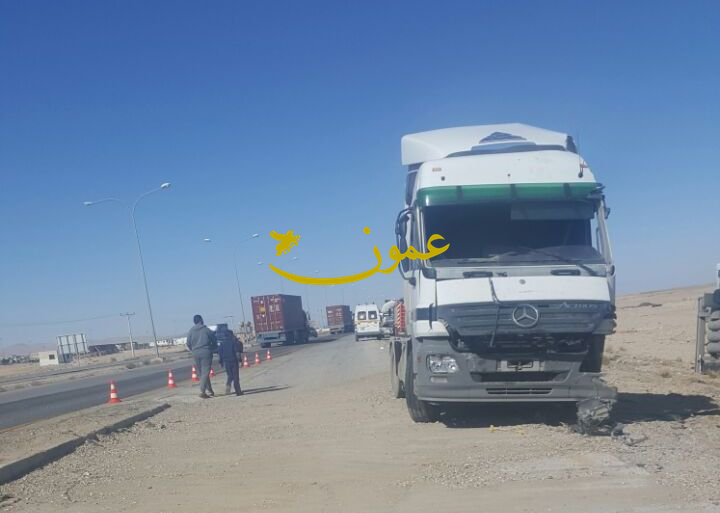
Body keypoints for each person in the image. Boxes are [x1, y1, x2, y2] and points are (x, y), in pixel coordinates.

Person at [186, 314, 217, 398]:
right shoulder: (206, 330)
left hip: (195, 353)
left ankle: (209, 391)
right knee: (205, 372)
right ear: (201, 320)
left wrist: (193, 350)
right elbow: (214, 340)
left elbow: (188, 343)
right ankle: (202, 391)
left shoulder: (191, 331)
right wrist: (212, 348)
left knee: (203, 373)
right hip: (206, 352)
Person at [217, 326, 243, 396]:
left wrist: (220, 362)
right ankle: (238, 391)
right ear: (231, 335)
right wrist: (240, 361)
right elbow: (237, 353)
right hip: (234, 361)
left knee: (230, 375)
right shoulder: (234, 342)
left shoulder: (222, 344)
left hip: (226, 362)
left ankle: (228, 387)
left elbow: (220, 354)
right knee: (236, 376)